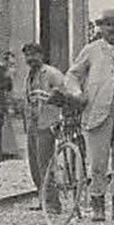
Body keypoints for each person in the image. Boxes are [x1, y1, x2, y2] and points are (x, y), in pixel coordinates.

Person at [67, 8, 114, 222]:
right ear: (101, 27)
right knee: (98, 161)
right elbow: (72, 75)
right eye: (108, 24)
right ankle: (97, 205)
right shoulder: (91, 50)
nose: (112, 29)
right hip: (97, 110)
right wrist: (77, 93)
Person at [22, 41, 81, 205]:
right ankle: (43, 197)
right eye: (27, 55)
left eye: (34, 55)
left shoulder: (51, 73)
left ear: (41, 55)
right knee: (34, 164)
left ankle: (53, 202)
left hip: (49, 122)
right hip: (34, 123)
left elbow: (67, 92)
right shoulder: (29, 76)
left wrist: (59, 106)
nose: (30, 58)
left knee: (45, 163)